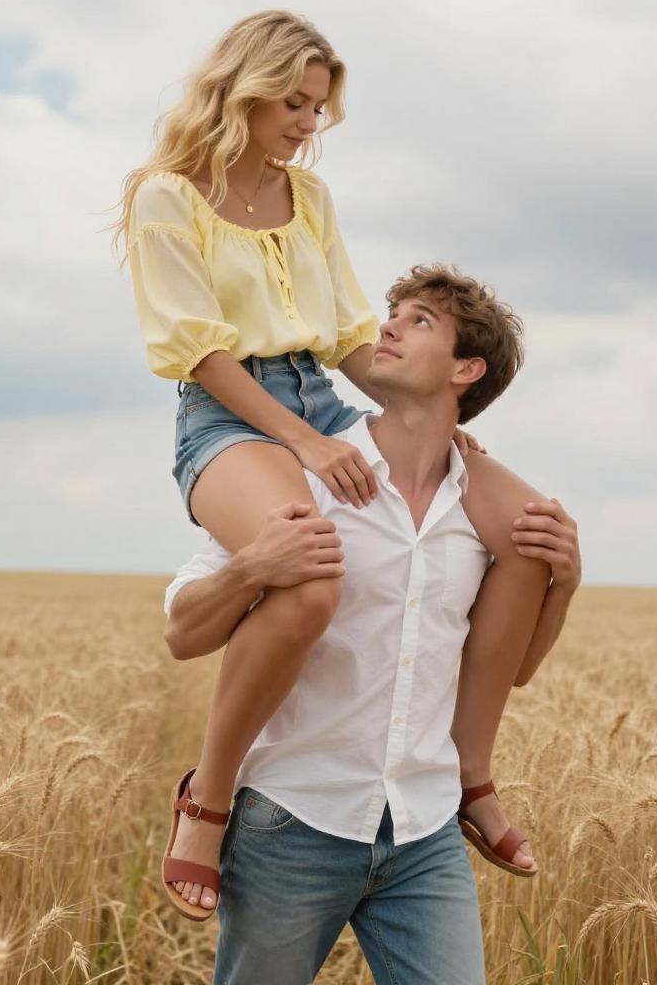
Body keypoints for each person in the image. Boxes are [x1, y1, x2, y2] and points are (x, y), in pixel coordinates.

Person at [112, 9, 575, 917]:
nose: (307, 126)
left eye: (318, 109)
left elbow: (353, 339)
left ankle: (471, 775)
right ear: (241, 89)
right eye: (292, 103)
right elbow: (198, 351)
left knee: (523, 533)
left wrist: (427, 415)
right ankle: (207, 799)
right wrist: (307, 442)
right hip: (226, 415)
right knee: (312, 576)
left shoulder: (309, 201)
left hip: (319, 396)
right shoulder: (165, 194)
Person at [159, 268, 581, 984]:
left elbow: (514, 670)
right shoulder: (302, 472)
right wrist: (251, 566)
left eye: (419, 321)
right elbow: (181, 634)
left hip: (424, 830)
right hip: (290, 823)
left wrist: (563, 585)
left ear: (465, 370)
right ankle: (206, 800)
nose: (386, 327)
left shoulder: (484, 518)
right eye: (392, 313)